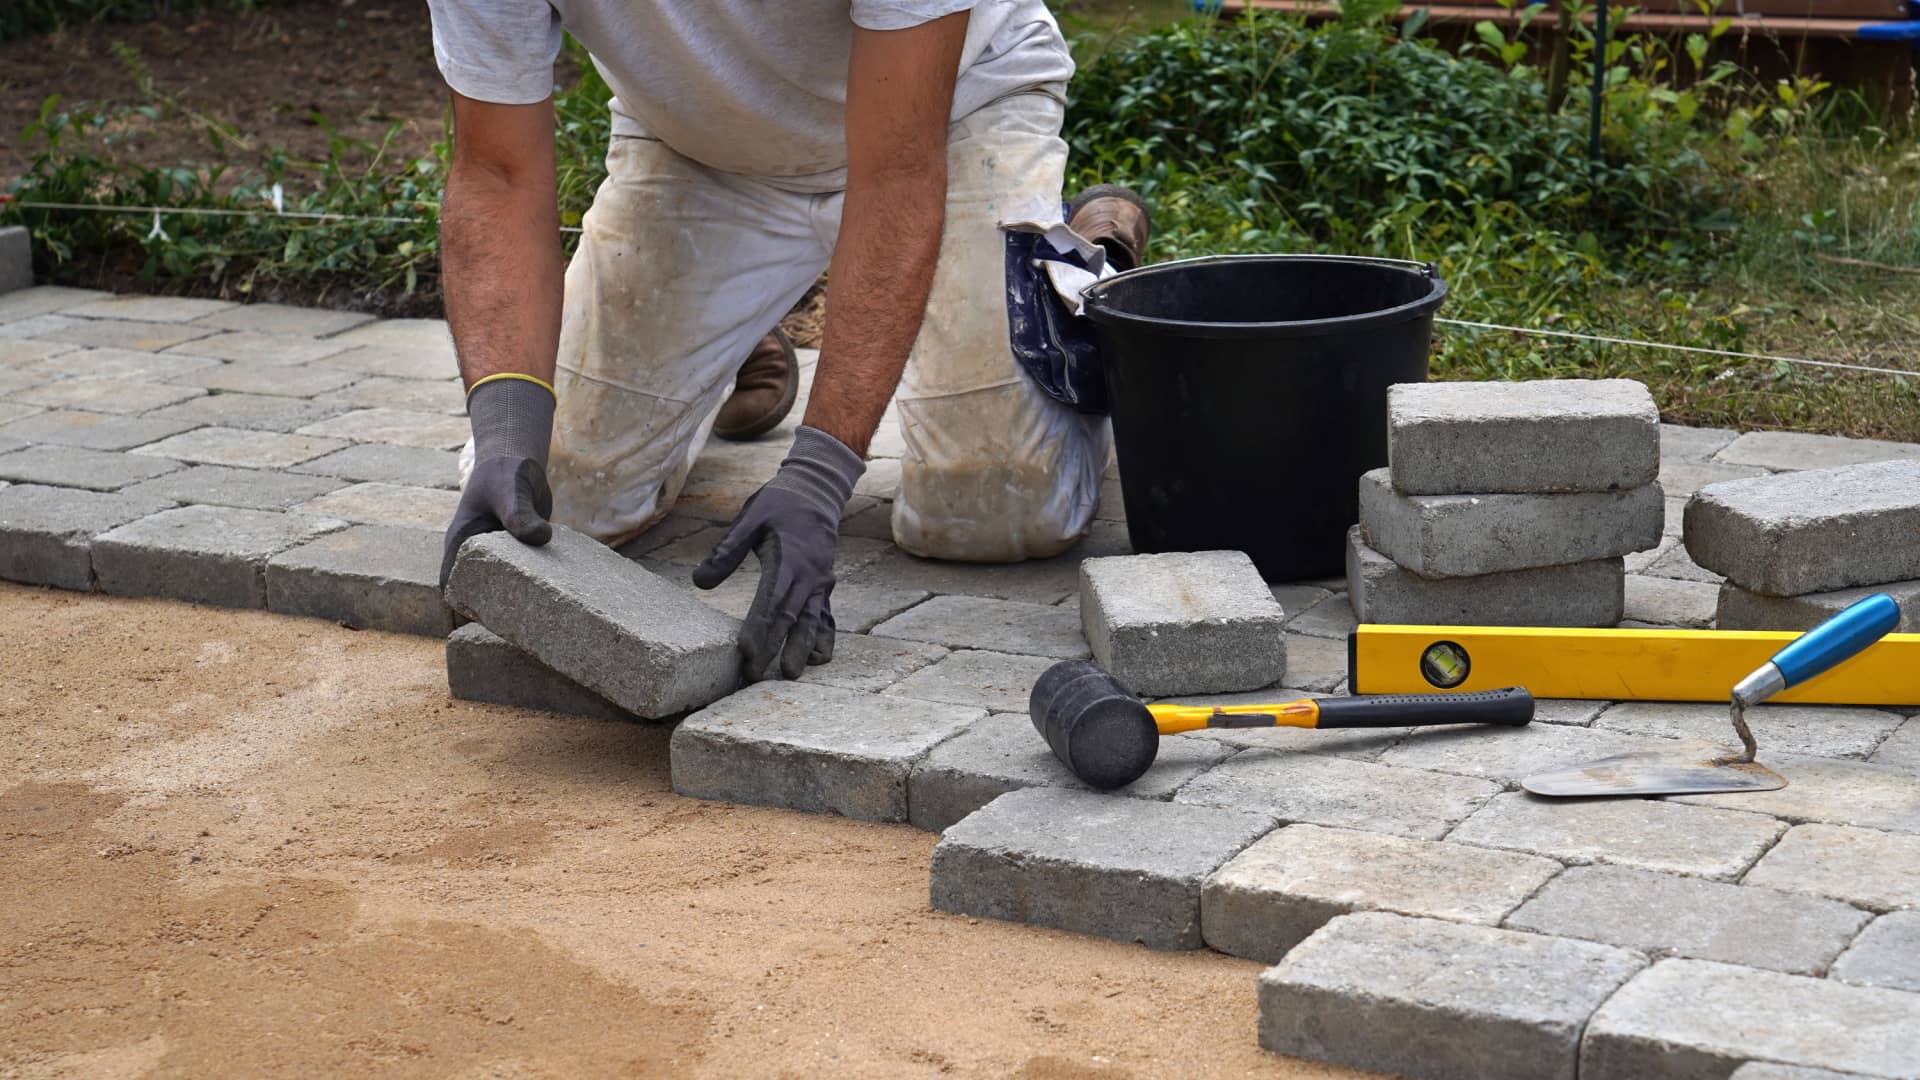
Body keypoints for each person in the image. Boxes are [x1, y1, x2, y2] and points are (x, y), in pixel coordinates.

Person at [428, 1, 1149, 681]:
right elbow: (496, 170)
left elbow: (897, 168)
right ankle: (731, 331)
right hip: (700, 149)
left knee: (996, 507)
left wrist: (819, 476)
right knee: (555, 502)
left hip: (956, 116)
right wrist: (504, 430)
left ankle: (1079, 275)